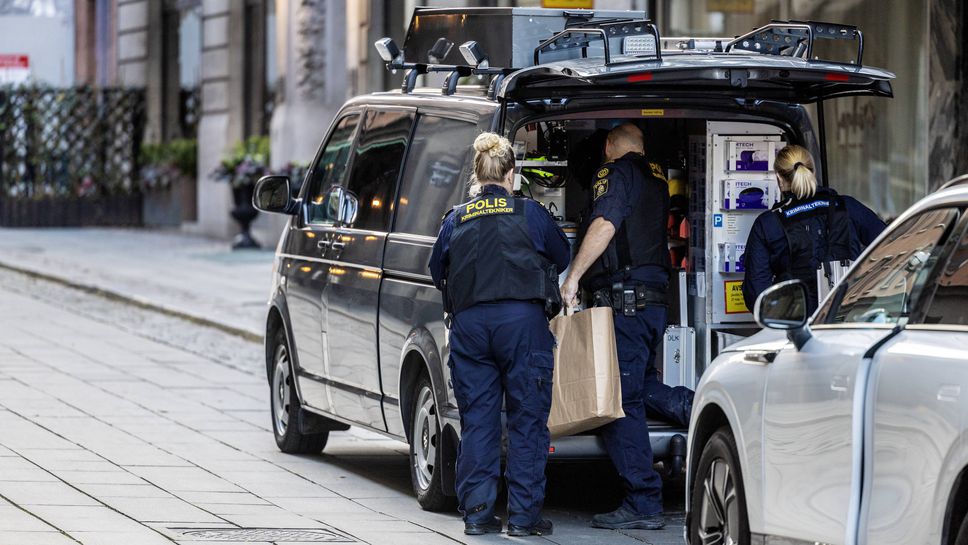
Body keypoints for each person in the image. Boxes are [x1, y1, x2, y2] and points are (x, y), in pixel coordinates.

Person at [428, 132, 571, 537]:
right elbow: (561, 255)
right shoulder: (530, 213)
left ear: (477, 174)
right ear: (512, 174)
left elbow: (437, 270)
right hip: (522, 327)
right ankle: (524, 520)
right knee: (527, 422)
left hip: (471, 328)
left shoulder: (456, 217)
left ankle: (477, 514)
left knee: (479, 421)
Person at [560, 122, 694, 531]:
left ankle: (643, 500)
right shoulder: (655, 178)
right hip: (651, 306)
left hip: (626, 305)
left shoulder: (613, 173)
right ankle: (695, 405)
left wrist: (573, 277)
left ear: (609, 146)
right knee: (634, 384)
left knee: (619, 402)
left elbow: (605, 224)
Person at [742, 144, 886, 313]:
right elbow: (892, 245)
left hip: (797, 326)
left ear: (779, 178)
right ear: (813, 172)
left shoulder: (768, 223)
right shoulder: (847, 206)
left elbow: (757, 297)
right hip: (849, 321)